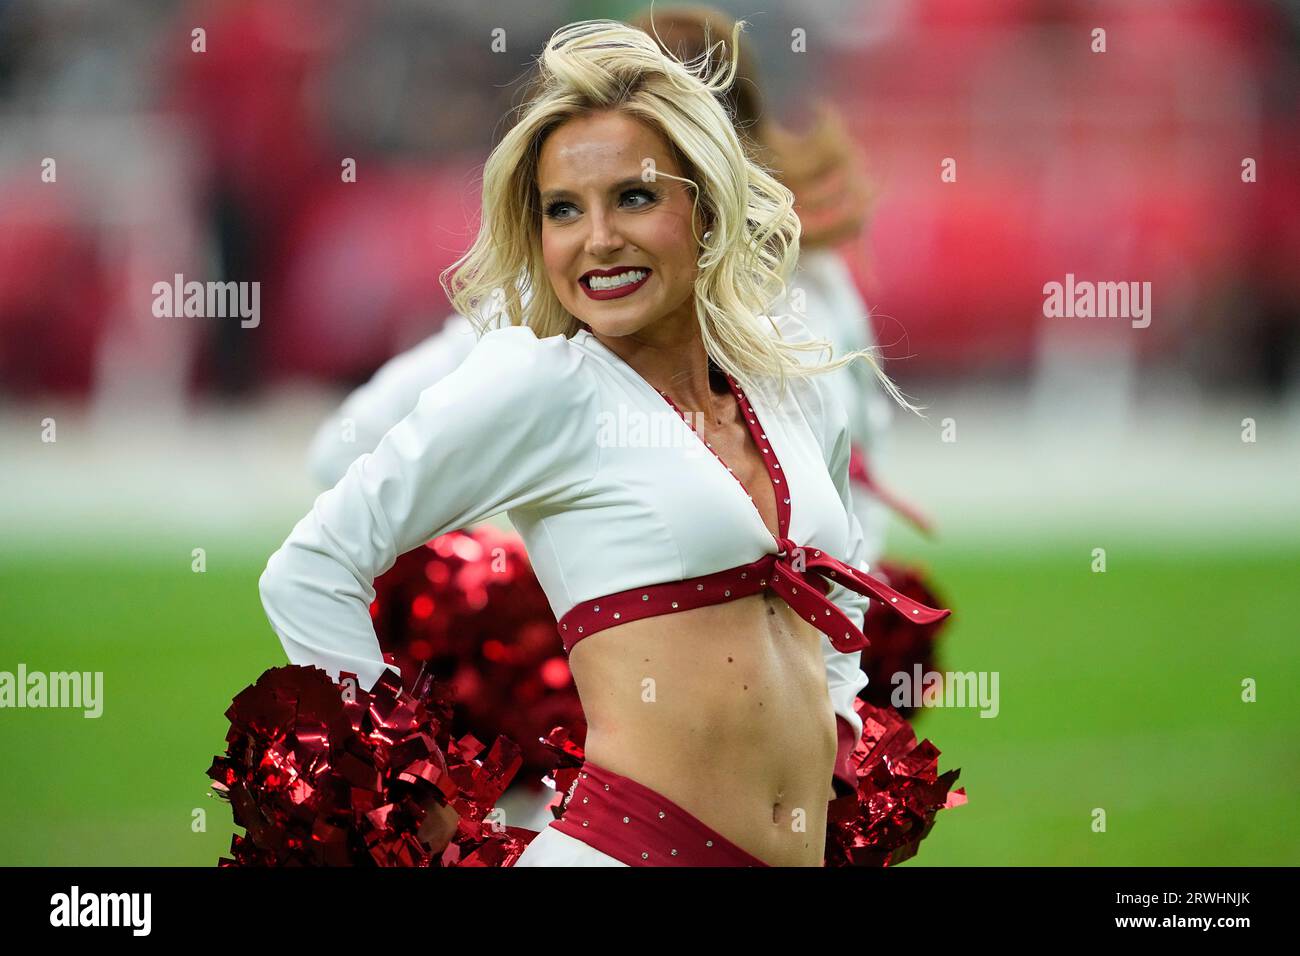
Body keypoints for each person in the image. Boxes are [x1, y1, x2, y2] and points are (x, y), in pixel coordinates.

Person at [259, 17, 947, 867]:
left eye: (634, 196)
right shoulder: (543, 386)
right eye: (562, 210)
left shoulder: (783, 371)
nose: (598, 239)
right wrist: (405, 789)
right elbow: (311, 568)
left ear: (704, 203)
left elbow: (835, 585)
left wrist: (842, 729)